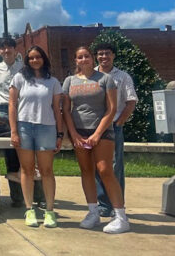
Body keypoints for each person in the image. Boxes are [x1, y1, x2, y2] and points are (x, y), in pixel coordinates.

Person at [62, 46, 130, 234]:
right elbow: (66, 110)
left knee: (105, 170)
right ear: (76, 61)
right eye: (79, 57)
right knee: (86, 171)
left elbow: (111, 109)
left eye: (86, 56)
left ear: (92, 59)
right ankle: (93, 212)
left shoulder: (106, 79)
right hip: (79, 131)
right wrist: (73, 133)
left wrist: (97, 134)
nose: (83, 59)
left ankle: (121, 216)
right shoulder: (69, 81)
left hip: (102, 131)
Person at [8, 46, 64, 228]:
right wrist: (14, 131)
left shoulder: (53, 81)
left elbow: (57, 109)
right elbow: (12, 106)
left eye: (38, 57)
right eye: (31, 58)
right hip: (24, 127)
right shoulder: (19, 78)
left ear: (43, 59)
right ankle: (29, 209)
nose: (34, 60)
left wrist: (60, 133)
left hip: (47, 127)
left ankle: (49, 211)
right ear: (27, 60)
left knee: (46, 170)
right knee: (27, 170)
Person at [94, 42, 138, 218]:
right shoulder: (91, 76)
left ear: (113, 55)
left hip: (113, 128)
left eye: (107, 53)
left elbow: (131, 101)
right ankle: (103, 204)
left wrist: (119, 122)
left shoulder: (123, 77)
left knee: (114, 167)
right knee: (97, 167)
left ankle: (117, 205)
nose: (104, 57)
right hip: (93, 127)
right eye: (100, 54)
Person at [0, 37, 26, 206]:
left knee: (27, 154)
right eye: (3, 48)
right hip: (1, 111)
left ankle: (37, 196)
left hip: (22, 111)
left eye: (10, 47)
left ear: (15, 50)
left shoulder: (24, 69)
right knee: (11, 153)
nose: (7, 51)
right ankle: (17, 198)